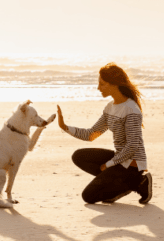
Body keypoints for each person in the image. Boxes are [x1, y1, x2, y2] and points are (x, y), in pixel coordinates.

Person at [56, 62, 152, 204]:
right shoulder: (110, 108)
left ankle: (139, 182)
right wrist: (65, 127)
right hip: (119, 160)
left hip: (132, 165)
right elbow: (91, 134)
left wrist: (109, 164)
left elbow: (132, 146)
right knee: (79, 156)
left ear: (114, 84)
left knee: (88, 197)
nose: (98, 88)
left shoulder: (131, 110)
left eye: (102, 84)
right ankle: (118, 184)